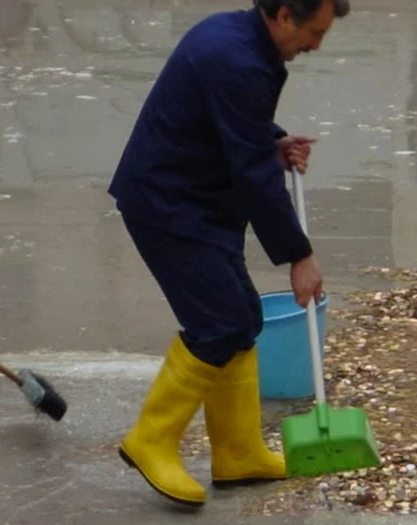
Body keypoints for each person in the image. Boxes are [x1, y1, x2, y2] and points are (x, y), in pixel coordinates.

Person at [107, 0, 350, 507]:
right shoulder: (235, 57)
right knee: (218, 324)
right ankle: (150, 440)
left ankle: (238, 453)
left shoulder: (239, 39)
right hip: (168, 204)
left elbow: (236, 124)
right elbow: (253, 174)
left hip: (198, 200)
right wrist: (298, 255)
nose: (315, 44)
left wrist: (273, 141)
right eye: (314, 32)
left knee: (242, 316)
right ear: (285, 15)